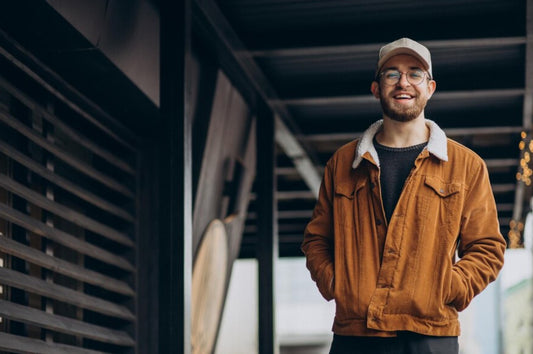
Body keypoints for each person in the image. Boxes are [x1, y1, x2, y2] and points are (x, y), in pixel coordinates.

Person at [301, 38, 506, 354]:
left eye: (415, 73)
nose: (403, 83)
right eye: (391, 74)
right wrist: (337, 284)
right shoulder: (342, 164)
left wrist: (448, 286)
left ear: (430, 87)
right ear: (376, 88)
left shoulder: (466, 166)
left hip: (431, 334)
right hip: (356, 334)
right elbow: (316, 240)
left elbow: (487, 247)